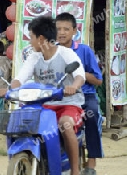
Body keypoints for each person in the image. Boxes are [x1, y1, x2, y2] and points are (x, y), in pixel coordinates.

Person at [11, 16, 85, 175]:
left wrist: (73, 86)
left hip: (68, 104)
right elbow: (19, 78)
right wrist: (11, 89)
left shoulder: (66, 53)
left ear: (41, 38)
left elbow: (80, 75)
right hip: (43, 106)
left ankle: (75, 170)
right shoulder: (34, 57)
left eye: (31, 37)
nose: (30, 41)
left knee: (66, 124)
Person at [56, 12, 103, 175]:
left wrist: (80, 74)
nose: (61, 33)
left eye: (66, 29)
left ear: (74, 31)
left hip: (86, 95)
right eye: (58, 29)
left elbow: (98, 80)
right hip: (61, 97)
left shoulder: (84, 50)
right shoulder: (51, 51)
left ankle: (91, 164)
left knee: (92, 115)